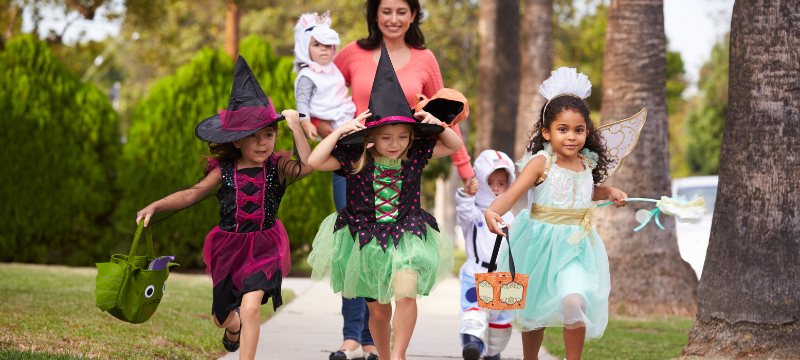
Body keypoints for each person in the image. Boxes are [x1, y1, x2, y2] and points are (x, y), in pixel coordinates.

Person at [135, 56, 312, 360]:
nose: (261, 143)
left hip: (265, 245)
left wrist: (296, 128)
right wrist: (156, 205)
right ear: (236, 141)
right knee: (222, 315)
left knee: (252, 305)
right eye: (252, 137)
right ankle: (233, 329)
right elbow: (192, 194)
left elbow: (307, 167)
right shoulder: (224, 169)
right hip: (228, 248)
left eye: (268, 135)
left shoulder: (277, 167)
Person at [330, 1, 479, 358]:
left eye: (401, 10)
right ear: (375, 15)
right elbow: (325, 93)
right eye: (386, 10)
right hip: (359, 160)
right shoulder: (352, 54)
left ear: (413, 15)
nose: (393, 18)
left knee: (397, 259)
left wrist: (466, 168)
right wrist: (329, 131)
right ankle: (355, 336)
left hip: (403, 161)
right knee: (357, 251)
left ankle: (381, 346)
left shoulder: (424, 59)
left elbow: (443, 114)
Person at [307, 44, 460, 360]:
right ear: (371, 136)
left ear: (411, 137)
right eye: (387, 137)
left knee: (406, 293)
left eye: (402, 136)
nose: (395, 144)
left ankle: (399, 355)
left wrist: (435, 121)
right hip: (365, 240)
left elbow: (453, 145)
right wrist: (340, 132)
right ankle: (385, 354)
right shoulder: (355, 156)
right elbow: (314, 160)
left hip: (406, 236)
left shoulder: (415, 155)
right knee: (377, 313)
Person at [484, 68, 632, 360]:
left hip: (575, 245)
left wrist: (610, 191)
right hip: (539, 241)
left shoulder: (586, 163)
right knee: (533, 307)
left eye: (579, 130)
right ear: (546, 132)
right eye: (562, 129)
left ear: (587, 132)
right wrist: (492, 211)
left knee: (574, 300)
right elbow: (513, 195)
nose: (571, 137)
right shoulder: (542, 162)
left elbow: (585, 190)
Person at [455, 150, 516, 360]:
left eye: (501, 183)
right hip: (477, 270)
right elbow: (463, 212)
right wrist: (466, 195)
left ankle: (493, 353)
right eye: (490, 182)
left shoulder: (511, 216)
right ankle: (472, 344)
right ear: (480, 181)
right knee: (473, 314)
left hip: (505, 274)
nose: (496, 188)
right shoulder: (474, 212)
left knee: (500, 322)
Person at [292, 11, 356, 141]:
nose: (323, 49)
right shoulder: (307, 75)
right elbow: (302, 101)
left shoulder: (333, 67)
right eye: (316, 44)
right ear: (305, 48)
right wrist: (306, 123)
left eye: (327, 45)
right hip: (330, 121)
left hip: (346, 116)